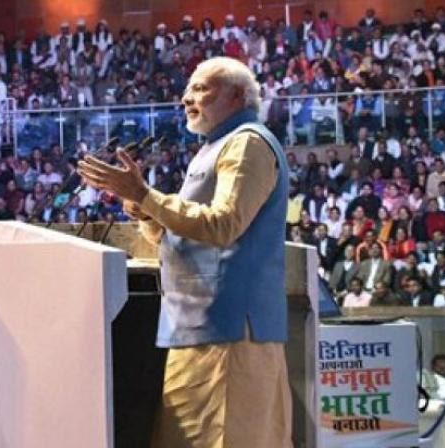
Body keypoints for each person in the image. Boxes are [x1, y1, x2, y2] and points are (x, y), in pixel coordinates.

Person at [77, 56, 291, 447]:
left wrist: (146, 194)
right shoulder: (211, 148)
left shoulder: (246, 144)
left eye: (200, 88)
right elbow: (180, 240)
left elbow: (224, 225)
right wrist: (145, 210)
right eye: (188, 89)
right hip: (195, 322)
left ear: (237, 95)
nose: (185, 98)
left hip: (230, 328)